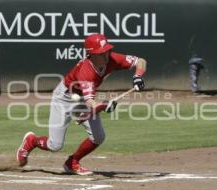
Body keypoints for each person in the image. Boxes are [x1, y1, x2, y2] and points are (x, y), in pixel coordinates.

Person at [16, 33, 147, 175]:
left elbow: (141, 61)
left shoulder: (112, 58)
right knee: (55, 145)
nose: (106, 55)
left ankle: (72, 162)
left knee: (98, 137)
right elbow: (90, 102)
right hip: (64, 98)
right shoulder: (86, 71)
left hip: (82, 100)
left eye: (107, 51)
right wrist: (104, 105)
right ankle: (31, 142)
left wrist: (137, 76)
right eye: (101, 53)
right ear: (92, 54)